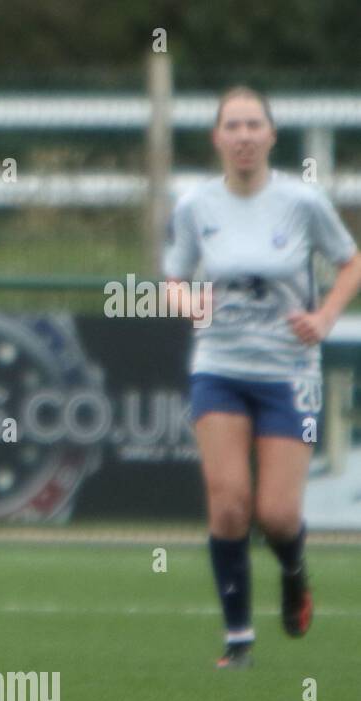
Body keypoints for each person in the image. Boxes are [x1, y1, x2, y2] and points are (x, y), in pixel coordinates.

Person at [164, 86, 361, 669]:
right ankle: (238, 638)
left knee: (276, 515)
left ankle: (294, 573)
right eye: (234, 125)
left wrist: (325, 316)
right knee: (228, 506)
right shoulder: (195, 204)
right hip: (219, 367)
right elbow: (173, 275)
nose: (245, 135)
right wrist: (185, 302)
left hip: (288, 370)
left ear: (272, 136)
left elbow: (350, 261)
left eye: (255, 125)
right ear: (217, 137)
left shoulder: (301, 202)